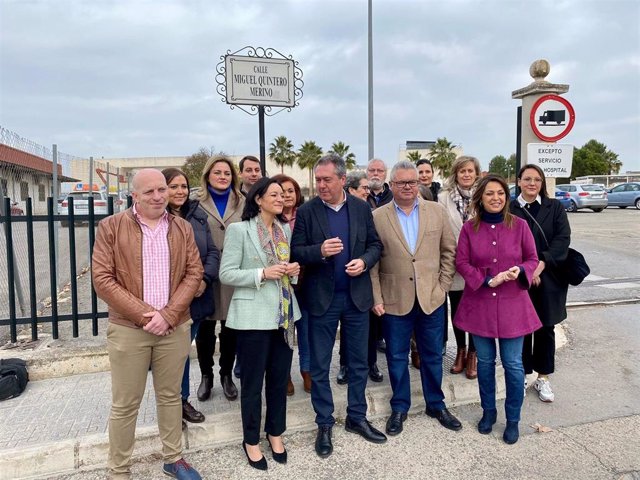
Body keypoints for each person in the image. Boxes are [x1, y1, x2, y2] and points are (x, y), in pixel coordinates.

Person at [92, 168, 203, 480]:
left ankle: (173, 458)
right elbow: (102, 279)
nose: (157, 197)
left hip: (174, 327)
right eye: (149, 192)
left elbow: (194, 273)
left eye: (161, 190)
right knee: (126, 403)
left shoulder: (181, 227)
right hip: (129, 329)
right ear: (134, 196)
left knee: (170, 396)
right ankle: (118, 470)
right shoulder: (111, 227)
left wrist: (168, 315)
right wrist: (145, 315)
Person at [291, 154, 385, 458]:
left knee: (358, 363)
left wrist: (364, 261)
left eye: (326, 179)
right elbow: (296, 252)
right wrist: (319, 250)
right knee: (319, 366)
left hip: (356, 299)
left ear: (342, 180)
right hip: (321, 300)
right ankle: (324, 422)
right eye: (317, 179)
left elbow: (375, 245)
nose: (320, 185)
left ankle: (357, 417)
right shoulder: (307, 212)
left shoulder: (360, 208)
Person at [369, 161, 462, 437]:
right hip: (394, 299)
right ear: (392, 185)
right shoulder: (378, 217)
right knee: (397, 356)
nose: (407, 187)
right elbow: (373, 263)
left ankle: (436, 403)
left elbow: (449, 252)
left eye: (412, 182)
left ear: (417, 184)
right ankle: (400, 407)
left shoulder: (437, 212)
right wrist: (377, 297)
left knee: (433, 355)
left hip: (431, 299)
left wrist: (443, 286)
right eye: (401, 183)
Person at [219, 177, 301, 471]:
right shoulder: (239, 231)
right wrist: (261, 274)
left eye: (283, 195)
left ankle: (275, 433)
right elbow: (226, 273)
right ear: (258, 199)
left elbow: (288, 274)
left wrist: (293, 271)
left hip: (284, 315)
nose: (281, 198)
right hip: (253, 317)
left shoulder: (285, 230)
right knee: (252, 384)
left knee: (279, 381)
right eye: (275, 194)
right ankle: (251, 440)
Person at [454, 175, 541, 444]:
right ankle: (488, 412)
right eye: (490, 193)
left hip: (513, 305)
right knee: (486, 363)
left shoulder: (521, 225)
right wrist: (485, 279)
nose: (496, 198)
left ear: (506, 197)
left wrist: (521, 270)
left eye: (501, 193)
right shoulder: (470, 228)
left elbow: (532, 258)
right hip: (480, 304)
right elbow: (462, 261)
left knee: (514, 365)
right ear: (480, 197)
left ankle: (512, 418)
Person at [162, 168, 221, 424]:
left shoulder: (197, 216)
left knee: (184, 352)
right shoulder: (156, 219)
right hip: (167, 301)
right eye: (173, 186)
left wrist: (203, 280)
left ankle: (182, 401)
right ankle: (169, 406)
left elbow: (212, 253)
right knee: (169, 357)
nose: (179, 191)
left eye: (183, 186)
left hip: (196, 299)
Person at [510, 164, 570, 403]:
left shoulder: (554, 207)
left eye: (537, 179)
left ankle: (543, 377)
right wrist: (526, 269)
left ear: (542, 183)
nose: (532, 183)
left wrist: (540, 265)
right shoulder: (510, 208)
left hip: (549, 276)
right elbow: (507, 242)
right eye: (527, 179)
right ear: (519, 181)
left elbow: (562, 239)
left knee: (546, 327)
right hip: (520, 276)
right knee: (522, 327)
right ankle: (524, 373)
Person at [195, 156, 245, 401]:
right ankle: (207, 376)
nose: (223, 176)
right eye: (217, 172)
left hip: (233, 272)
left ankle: (226, 374)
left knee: (230, 328)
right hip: (205, 272)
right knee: (205, 328)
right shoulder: (196, 202)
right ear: (208, 175)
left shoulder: (243, 202)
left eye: (227, 173)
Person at [337, 170, 383, 385]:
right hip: (346, 280)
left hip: (369, 277)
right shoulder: (339, 212)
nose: (367, 191)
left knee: (372, 326)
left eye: (367, 188)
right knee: (348, 329)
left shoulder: (368, 209)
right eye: (363, 188)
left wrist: (365, 261)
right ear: (351, 189)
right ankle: (345, 365)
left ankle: (371, 362)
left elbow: (376, 244)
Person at [439, 155, 482, 379]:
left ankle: (474, 354)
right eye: (462, 171)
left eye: (470, 171)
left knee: (475, 310)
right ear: (456, 173)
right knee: (456, 310)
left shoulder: (484, 195)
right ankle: (461, 352)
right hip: (453, 263)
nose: (466, 174)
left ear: (476, 173)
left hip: (478, 265)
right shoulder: (443, 198)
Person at [272, 173, 311, 395]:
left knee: (305, 330)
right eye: (281, 191)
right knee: (284, 333)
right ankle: (284, 374)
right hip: (280, 284)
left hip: (305, 283)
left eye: (290, 191)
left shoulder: (305, 215)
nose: (286, 195)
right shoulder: (271, 219)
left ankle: (307, 370)